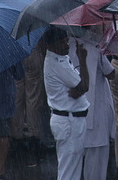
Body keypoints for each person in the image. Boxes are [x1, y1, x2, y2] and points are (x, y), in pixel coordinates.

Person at [42, 26, 90, 180]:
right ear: (51, 44)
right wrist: (82, 60)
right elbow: (84, 86)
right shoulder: (57, 62)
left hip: (70, 120)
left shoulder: (61, 58)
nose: (67, 45)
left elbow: (80, 88)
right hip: (69, 121)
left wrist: (79, 89)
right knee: (69, 172)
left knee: (72, 169)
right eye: (62, 42)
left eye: (67, 40)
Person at [68, 26, 115, 180]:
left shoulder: (65, 47)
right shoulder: (95, 47)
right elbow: (111, 73)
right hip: (96, 119)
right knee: (96, 169)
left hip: (74, 117)